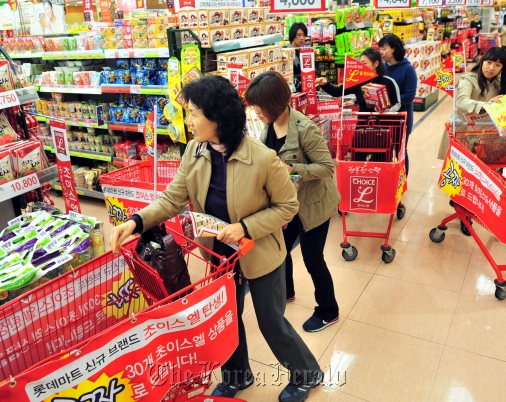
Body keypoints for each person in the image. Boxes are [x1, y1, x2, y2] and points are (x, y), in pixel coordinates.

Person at [109, 76, 323, 402]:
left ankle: (307, 373)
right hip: (220, 255)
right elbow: (172, 199)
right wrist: (136, 222)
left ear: (218, 118)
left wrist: (247, 227)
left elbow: (288, 206)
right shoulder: (194, 152)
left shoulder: (263, 159)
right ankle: (238, 375)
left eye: (194, 113)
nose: (189, 121)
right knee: (226, 318)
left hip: (260, 253)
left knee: (270, 321)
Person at [245, 71, 341, 333]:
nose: (256, 113)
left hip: (313, 205)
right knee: (280, 250)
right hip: (288, 205)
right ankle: (286, 292)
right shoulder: (269, 125)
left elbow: (326, 167)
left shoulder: (304, 129)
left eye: (258, 107)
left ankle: (328, 310)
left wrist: (292, 168)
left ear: (274, 103)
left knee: (313, 258)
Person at [438, 48, 506, 235]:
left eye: (497, 64)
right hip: (463, 131)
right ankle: (465, 214)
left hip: (484, 134)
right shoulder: (468, 78)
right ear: (482, 60)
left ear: (502, 67)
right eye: (488, 62)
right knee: (464, 173)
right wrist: (486, 105)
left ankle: (466, 205)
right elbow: (462, 101)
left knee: (478, 174)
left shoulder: (499, 83)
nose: (491, 68)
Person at [378, 34, 417, 177]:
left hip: (401, 118)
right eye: (380, 49)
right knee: (383, 148)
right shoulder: (381, 68)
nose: (381, 52)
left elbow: (409, 95)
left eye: (384, 48)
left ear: (394, 49)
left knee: (400, 149)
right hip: (384, 117)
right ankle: (386, 177)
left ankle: (402, 180)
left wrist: (388, 102)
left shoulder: (408, 70)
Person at [315, 48, 401, 112]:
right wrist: (326, 84)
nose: (361, 66)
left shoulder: (389, 82)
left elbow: (397, 103)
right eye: (360, 63)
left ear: (376, 63)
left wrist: (387, 111)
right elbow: (337, 91)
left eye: (365, 63)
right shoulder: (357, 81)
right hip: (362, 125)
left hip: (384, 126)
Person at [287, 22, 308, 93]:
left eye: (304, 35)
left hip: (304, 90)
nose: (302, 38)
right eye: (299, 35)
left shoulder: (303, 52)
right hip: (292, 93)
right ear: (293, 35)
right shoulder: (286, 52)